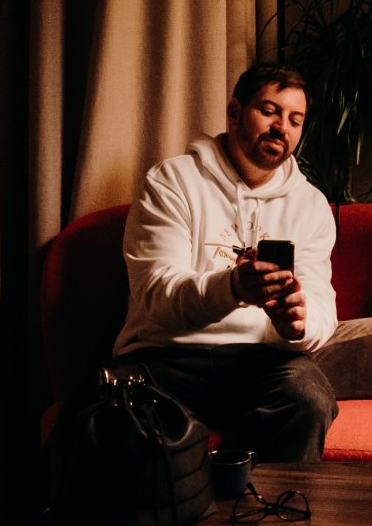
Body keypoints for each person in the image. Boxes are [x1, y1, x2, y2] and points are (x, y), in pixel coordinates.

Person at [110, 62, 339, 463]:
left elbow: (321, 306)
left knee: (309, 397)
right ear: (234, 113)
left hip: (262, 360)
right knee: (123, 412)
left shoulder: (312, 206)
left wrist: (298, 322)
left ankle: (259, 513)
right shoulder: (172, 182)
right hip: (167, 353)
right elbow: (157, 295)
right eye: (269, 111)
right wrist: (232, 288)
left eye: (295, 120)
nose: (281, 127)